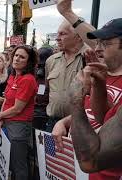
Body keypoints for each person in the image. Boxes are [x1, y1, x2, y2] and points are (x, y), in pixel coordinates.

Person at [52, 0, 122, 179]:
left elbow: (91, 161)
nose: (96, 48)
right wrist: (64, 122)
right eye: (97, 43)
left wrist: (75, 99)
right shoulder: (106, 73)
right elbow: (101, 115)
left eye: (105, 44)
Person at [0, 45, 38, 180]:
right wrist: (1, 119)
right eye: (16, 55)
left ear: (28, 62)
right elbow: (6, 100)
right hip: (7, 123)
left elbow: (17, 108)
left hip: (19, 126)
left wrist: (0, 115)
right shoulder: (13, 76)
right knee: (9, 164)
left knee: (19, 165)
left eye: (22, 57)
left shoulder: (28, 79)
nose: (17, 59)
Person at [45, 19, 86, 132]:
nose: (57, 38)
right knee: (50, 150)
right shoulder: (51, 61)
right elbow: (48, 88)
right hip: (52, 123)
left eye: (62, 34)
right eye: (57, 34)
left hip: (81, 124)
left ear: (78, 36)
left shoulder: (90, 56)